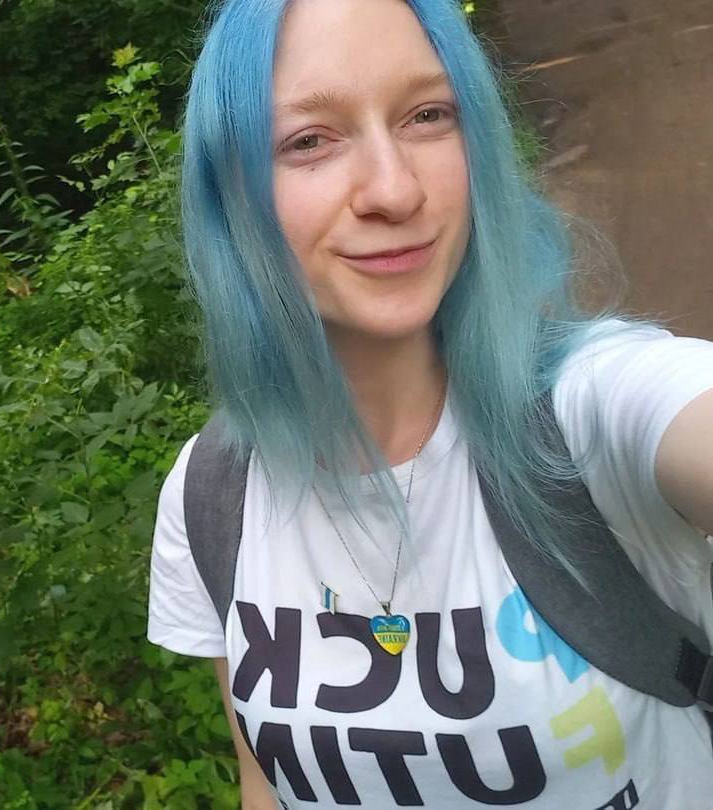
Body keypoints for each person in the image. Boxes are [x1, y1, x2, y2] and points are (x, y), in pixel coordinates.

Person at [146, 0, 713, 807]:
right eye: (309, 140)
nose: (394, 189)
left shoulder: (593, 413)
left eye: (426, 116)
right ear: (231, 196)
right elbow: (263, 783)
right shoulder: (210, 494)